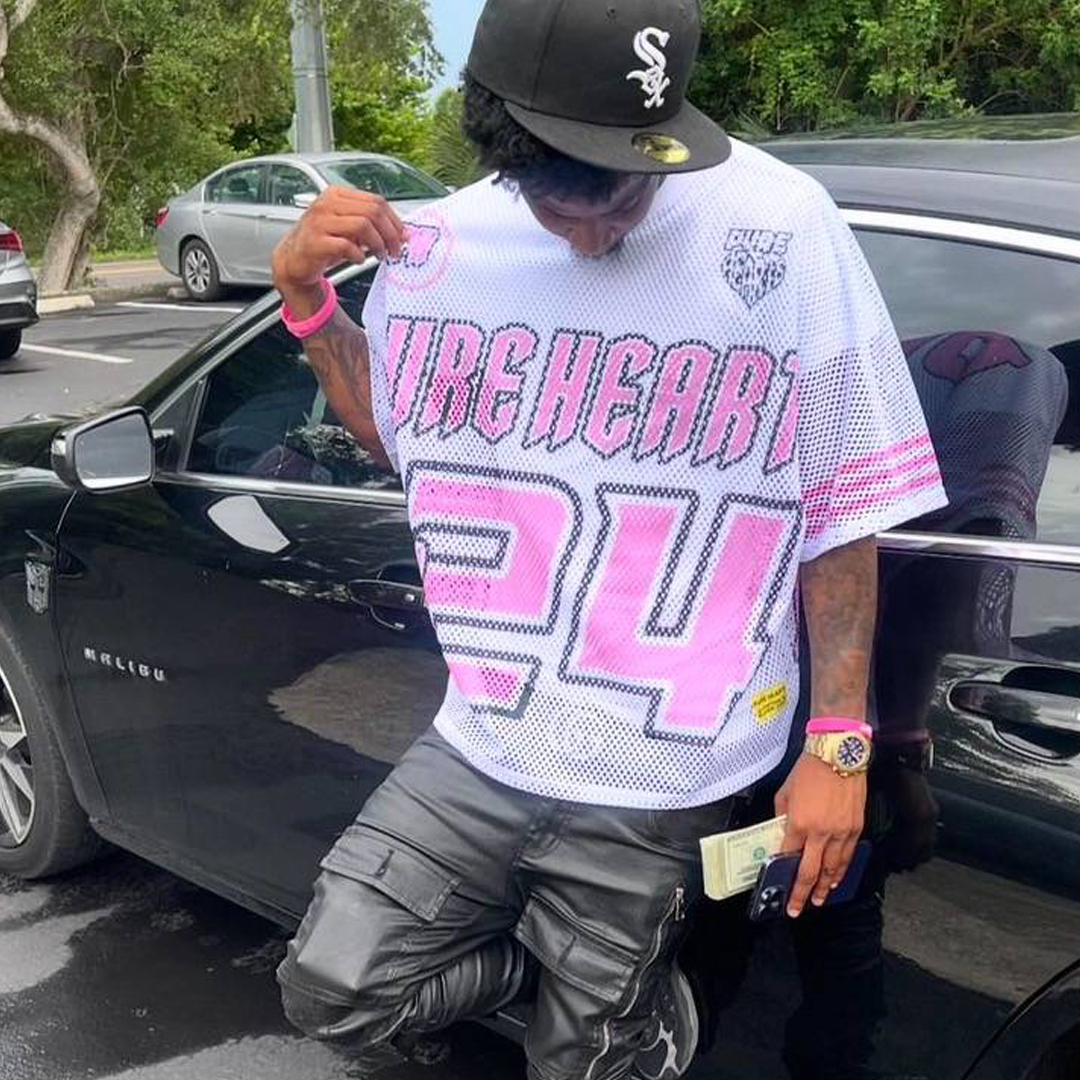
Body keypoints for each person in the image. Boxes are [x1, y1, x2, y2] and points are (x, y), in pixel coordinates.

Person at [269, 2, 948, 1077]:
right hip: (486, 739)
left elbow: (841, 501)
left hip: (670, 764)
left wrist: (838, 743)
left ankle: (615, 1018)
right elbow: (406, 438)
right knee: (333, 988)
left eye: (627, 196)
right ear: (500, 150)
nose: (595, 236)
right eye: (560, 207)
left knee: (581, 1065)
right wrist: (307, 302)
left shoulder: (783, 224)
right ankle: (603, 993)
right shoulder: (442, 246)